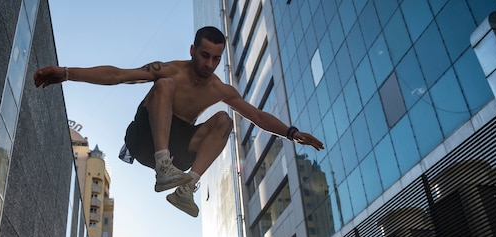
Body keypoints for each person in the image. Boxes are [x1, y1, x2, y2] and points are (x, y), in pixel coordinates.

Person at [34, 26, 324, 217]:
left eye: (215, 58)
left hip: (180, 148)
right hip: (145, 137)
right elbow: (117, 75)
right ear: (192, 50)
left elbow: (257, 116)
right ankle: (163, 167)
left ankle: (186, 189)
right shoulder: (170, 69)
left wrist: (291, 132)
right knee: (165, 85)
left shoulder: (219, 89)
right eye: (204, 55)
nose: (209, 64)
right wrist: (67, 73)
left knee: (224, 120)